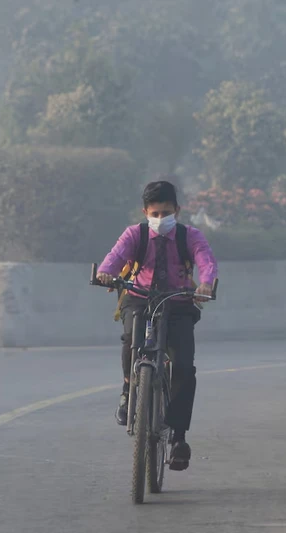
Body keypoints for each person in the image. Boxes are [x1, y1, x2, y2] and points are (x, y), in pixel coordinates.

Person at [96, 180, 217, 471]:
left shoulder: (190, 236)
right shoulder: (134, 234)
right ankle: (128, 392)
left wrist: (205, 283)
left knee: (184, 367)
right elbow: (115, 257)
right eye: (155, 213)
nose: (161, 219)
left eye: (166, 212)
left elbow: (206, 261)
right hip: (139, 298)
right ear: (145, 212)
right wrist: (105, 273)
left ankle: (178, 437)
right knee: (130, 340)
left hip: (179, 302)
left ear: (177, 209)